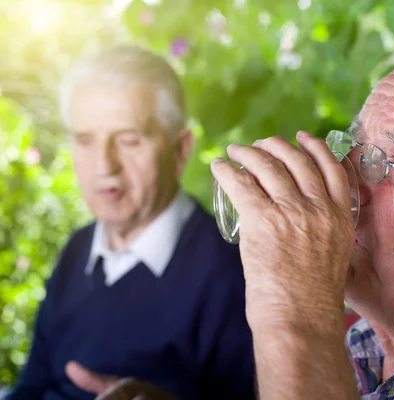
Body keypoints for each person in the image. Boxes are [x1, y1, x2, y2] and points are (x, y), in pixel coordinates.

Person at [68, 17, 394, 400]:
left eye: (386, 162)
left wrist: (296, 311)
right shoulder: (373, 341)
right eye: (354, 147)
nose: (339, 178)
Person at [8, 46, 255, 400]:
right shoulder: (78, 250)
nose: (104, 166)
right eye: (85, 140)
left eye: (128, 140)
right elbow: (31, 388)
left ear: (181, 150)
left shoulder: (231, 273)